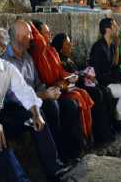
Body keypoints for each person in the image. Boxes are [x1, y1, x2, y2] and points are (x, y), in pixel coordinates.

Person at [0, 27, 71, 182]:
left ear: (2, 49)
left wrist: (35, 113)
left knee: (34, 116)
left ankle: (54, 170)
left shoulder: (8, 69)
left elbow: (25, 92)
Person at [29, 20, 93, 159]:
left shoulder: (51, 50)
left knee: (82, 94)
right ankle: (72, 150)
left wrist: (70, 77)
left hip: (61, 86)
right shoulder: (38, 52)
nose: (49, 35)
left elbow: (60, 71)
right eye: (46, 33)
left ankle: (85, 139)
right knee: (73, 103)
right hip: (51, 90)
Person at [51, 33, 117, 143]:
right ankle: (100, 135)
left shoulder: (68, 58)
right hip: (73, 88)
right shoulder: (59, 61)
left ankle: (109, 128)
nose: (71, 45)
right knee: (97, 93)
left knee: (104, 91)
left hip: (81, 83)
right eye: (67, 44)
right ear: (60, 48)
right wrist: (82, 76)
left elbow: (77, 72)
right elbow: (69, 78)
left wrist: (85, 74)